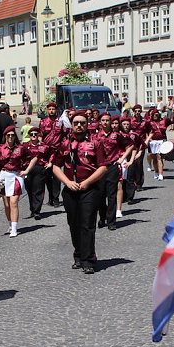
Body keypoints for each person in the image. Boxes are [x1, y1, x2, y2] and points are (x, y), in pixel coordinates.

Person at [51, 112, 107, 274]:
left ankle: (89, 259)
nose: (79, 126)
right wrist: (67, 182)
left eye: (82, 123)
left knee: (87, 224)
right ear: (72, 124)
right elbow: (55, 166)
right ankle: (79, 255)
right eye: (76, 123)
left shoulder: (96, 143)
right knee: (74, 224)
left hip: (89, 189)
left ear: (87, 124)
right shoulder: (65, 144)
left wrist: (87, 182)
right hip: (70, 189)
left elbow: (103, 167)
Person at [0, 125, 35, 238]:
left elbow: (33, 158)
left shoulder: (21, 148)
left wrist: (26, 171)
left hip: (16, 176)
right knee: (6, 204)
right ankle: (10, 224)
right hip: (4, 176)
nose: (10, 137)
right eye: (8, 135)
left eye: (12, 135)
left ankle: (14, 228)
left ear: (15, 136)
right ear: (5, 137)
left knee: (13, 203)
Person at [21, 126, 53, 220]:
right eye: (31, 134)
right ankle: (32, 209)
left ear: (38, 135)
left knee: (38, 190)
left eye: (35, 134)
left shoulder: (44, 146)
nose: (33, 136)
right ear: (29, 136)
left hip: (40, 169)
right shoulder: (24, 146)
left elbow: (52, 153)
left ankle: (37, 211)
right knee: (29, 190)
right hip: (27, 169)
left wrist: (50, 162)